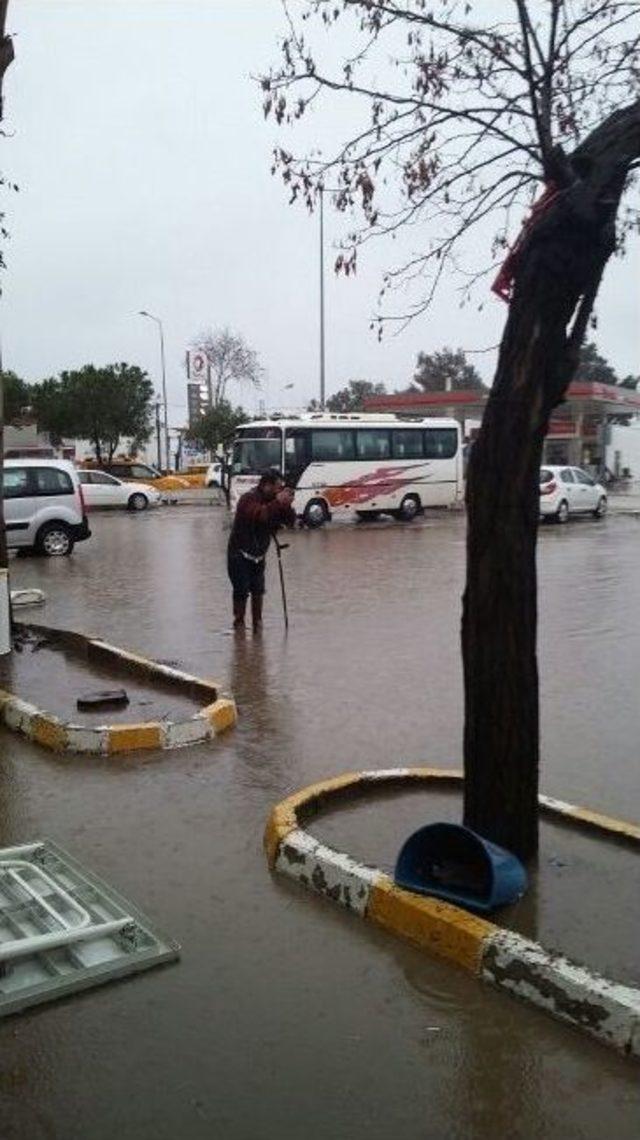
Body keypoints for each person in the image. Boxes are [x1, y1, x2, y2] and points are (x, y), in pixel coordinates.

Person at [227, 470, 295, 631]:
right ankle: (239, 626)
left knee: (258, 590)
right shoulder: (247, 499)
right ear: (266, 485)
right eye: (278, 488)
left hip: (259, 555)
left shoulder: (274, 502)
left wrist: (287, 505)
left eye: (281, 489)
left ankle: (258, 626)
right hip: (238, 553)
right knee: (241, 590)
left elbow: (290, 522)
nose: (279, 491)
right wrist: (278, 502)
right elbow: (261, 515)